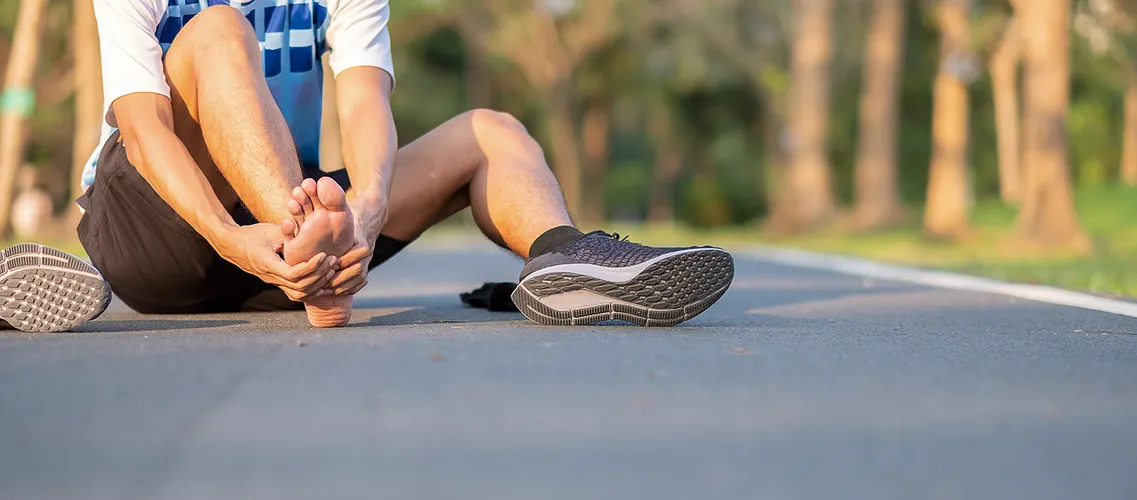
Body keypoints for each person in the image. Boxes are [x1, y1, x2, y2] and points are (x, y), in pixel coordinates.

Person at [2, 0, 734, 333]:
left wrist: (370, 208)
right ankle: (310, 258)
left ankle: (566, 259)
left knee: (491, 129)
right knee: (216, 30)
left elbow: (363, 104)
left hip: (291, 232)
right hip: (155, 229)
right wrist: (238, 239)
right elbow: (143, 127)